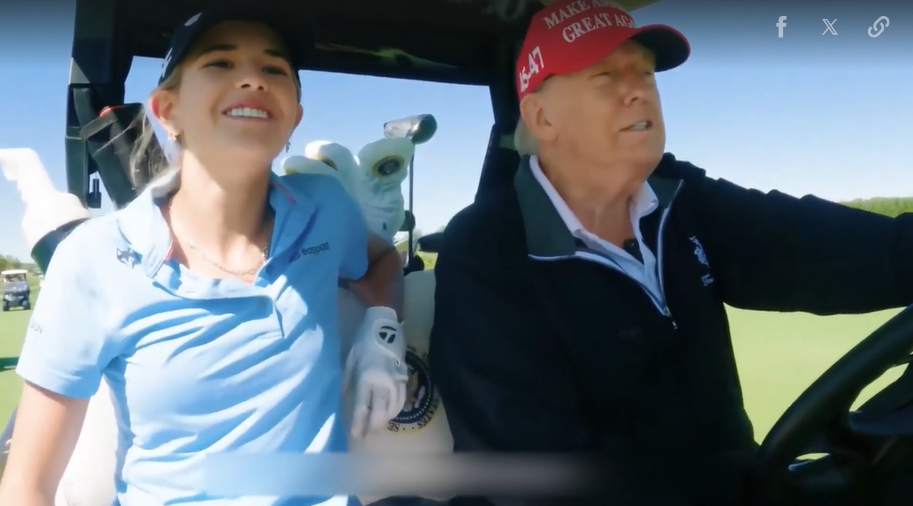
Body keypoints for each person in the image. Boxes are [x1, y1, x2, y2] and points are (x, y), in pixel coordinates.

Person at [429, 1, 913, 505]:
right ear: (541, 116)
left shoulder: (683, 198)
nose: (638, 90)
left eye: (645, 72)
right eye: (605, 76)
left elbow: (825, 247)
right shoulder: (487, 249)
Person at [0, 9, 407, 506]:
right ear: (167, 110)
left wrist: (383, 333)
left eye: (274, 68)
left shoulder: (326, 210)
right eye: (220, 62)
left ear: (294, 116)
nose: (253, 79)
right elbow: (27, 485)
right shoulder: (93, 259)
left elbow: (381, 261)